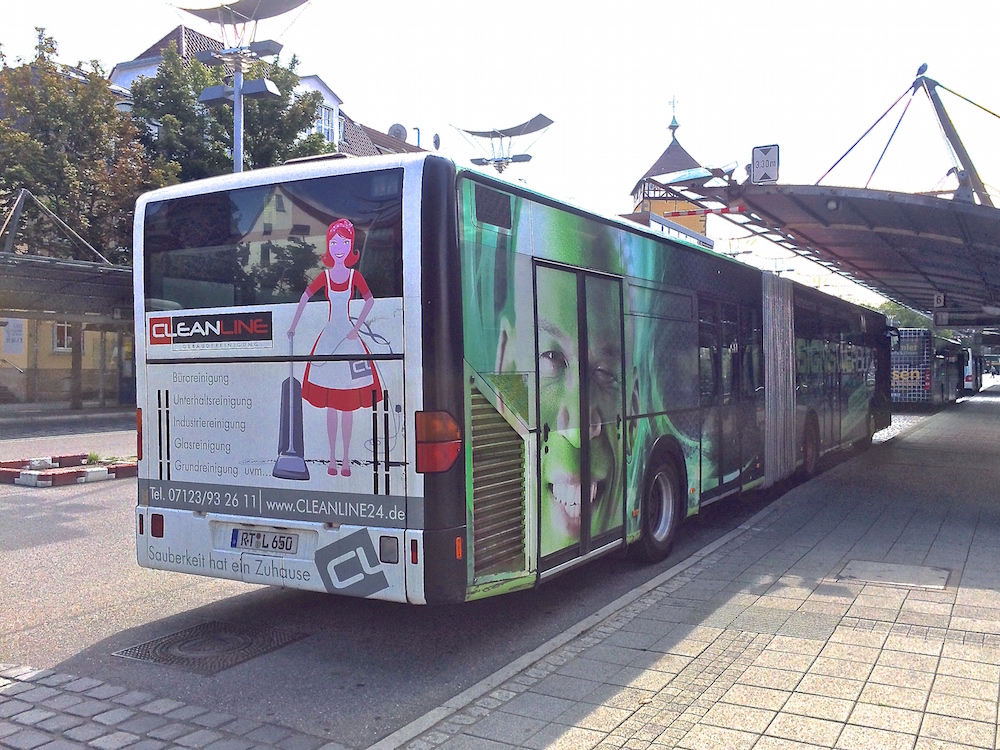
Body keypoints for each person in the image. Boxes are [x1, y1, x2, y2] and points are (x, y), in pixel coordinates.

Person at [288, 218, 381, 477]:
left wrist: (357, 327)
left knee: (348, 404)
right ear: (329, 245)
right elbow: (304, 297)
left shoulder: (355, 276)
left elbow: (369, 300)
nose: (339, 246)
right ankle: (331, 459)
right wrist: (293, 325)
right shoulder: (325, 277)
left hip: (348, 339)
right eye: (334, 241)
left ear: (350, 246)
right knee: (332, 405)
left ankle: (347, 460)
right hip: (330, 338)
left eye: (344, 241)